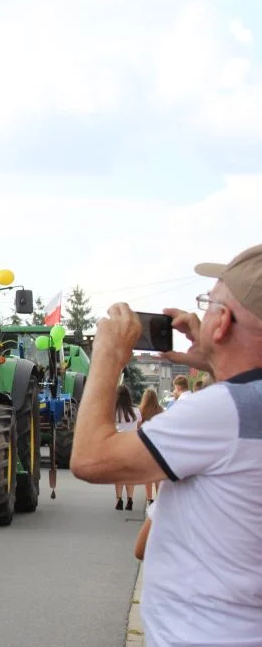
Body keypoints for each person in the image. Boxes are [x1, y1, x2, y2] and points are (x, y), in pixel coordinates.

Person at [70, 242, 262, 646]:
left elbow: (90, 458)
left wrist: (106, 354)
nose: (201, 312)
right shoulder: (242, 409)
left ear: (223, 322)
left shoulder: (221, 411)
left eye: (210, 303)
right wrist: (214, 357)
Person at [113, 385, 141, 510]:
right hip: (132, 445)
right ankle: (130, 499)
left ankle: (119, 500)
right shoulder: (136, 411)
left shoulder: (113, 411)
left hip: (118, 444)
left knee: (118, 475)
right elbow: (138, 426)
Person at [138, 388, 165, 503]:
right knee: (157, 475)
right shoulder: (161, 410)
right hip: (158, 445)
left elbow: (138, 428)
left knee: (147, 475)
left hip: (145, 445)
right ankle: (158, 498)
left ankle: (149, 498)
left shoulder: (141, 411)